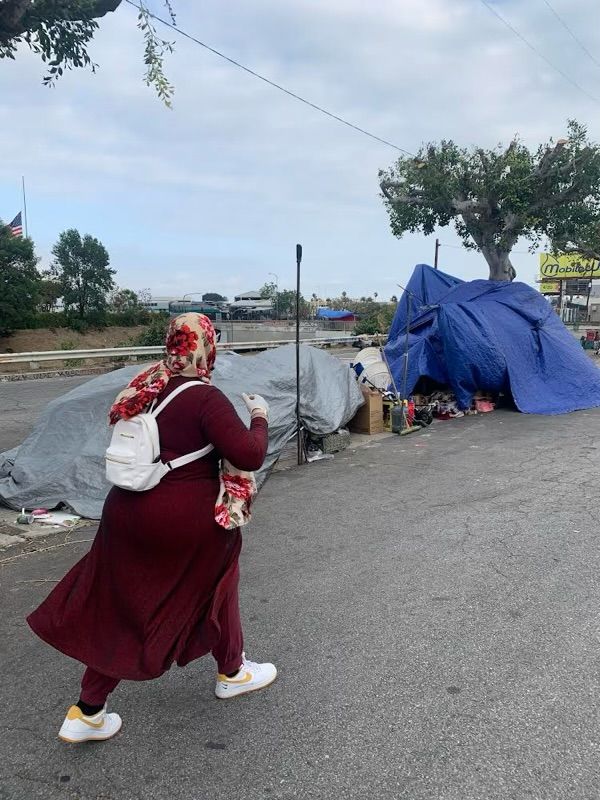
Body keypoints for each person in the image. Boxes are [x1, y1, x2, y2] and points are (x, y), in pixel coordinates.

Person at [27, 313, 275, 744]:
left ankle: (88, 710)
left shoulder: (146, 386)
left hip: (125, 512)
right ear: (207, 348)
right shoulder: (205, 397)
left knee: (123, 606)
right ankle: (232, 672)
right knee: (219, 581)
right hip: (183, 521)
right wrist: (259, 416)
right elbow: (249, 455)